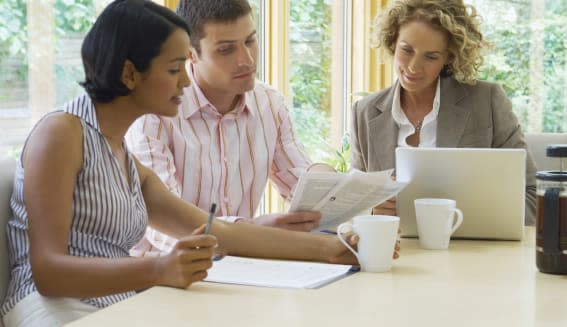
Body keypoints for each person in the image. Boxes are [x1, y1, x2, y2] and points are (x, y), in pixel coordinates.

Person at [0, 1, 368, 326]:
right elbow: (47, 271)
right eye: (175, 69)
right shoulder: (61, 132)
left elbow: (218, 232)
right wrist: (157, 268)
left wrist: (335, 249)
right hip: (51, 308)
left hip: (117, 303)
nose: (185, 83)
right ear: (130, 74)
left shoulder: (123, 157)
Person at [126, 0, 333, 255]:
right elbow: (166, 228)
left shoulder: (269, 103)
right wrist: (251, 230)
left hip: (240, 270)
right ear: (190, 53)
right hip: (159, 276)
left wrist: (329, 183)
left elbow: (303, 187)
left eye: (250, 41)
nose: (246, 60)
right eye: (226, 50)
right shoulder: (154, 113)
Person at [350, 0, 537, 225]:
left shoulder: (487, 102)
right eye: (407, 50)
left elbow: (532, 198)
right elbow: (354, 206)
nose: (413, 67)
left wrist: (454, 212)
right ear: (393, 42)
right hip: (392, 252)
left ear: (449, 56)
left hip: (469, 253)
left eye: (431, 57)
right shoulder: (365, 112)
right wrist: (372, 210)